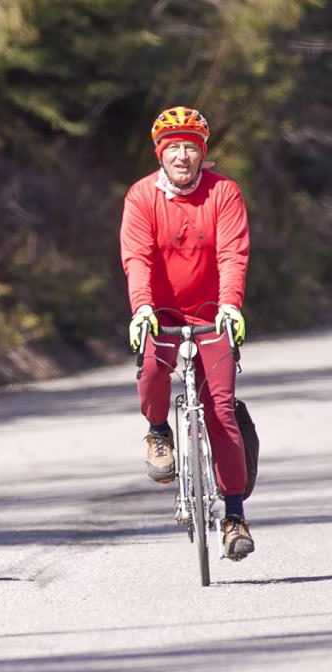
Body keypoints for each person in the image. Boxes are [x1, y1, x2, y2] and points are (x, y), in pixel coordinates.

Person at [120, 106, 254, 560]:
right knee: (152, 374)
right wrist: (141, 310)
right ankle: (159, 431)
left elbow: (232, 254)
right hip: (160, 313)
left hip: (213, 315)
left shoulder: (224, 194)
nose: (181, 156)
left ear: (202, 153)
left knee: (221, 410)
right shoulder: (141, 197)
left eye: (189, 148)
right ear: (161, 154)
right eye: (173, 148)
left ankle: (234, 516)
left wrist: (231, 306)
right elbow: (137, 257)